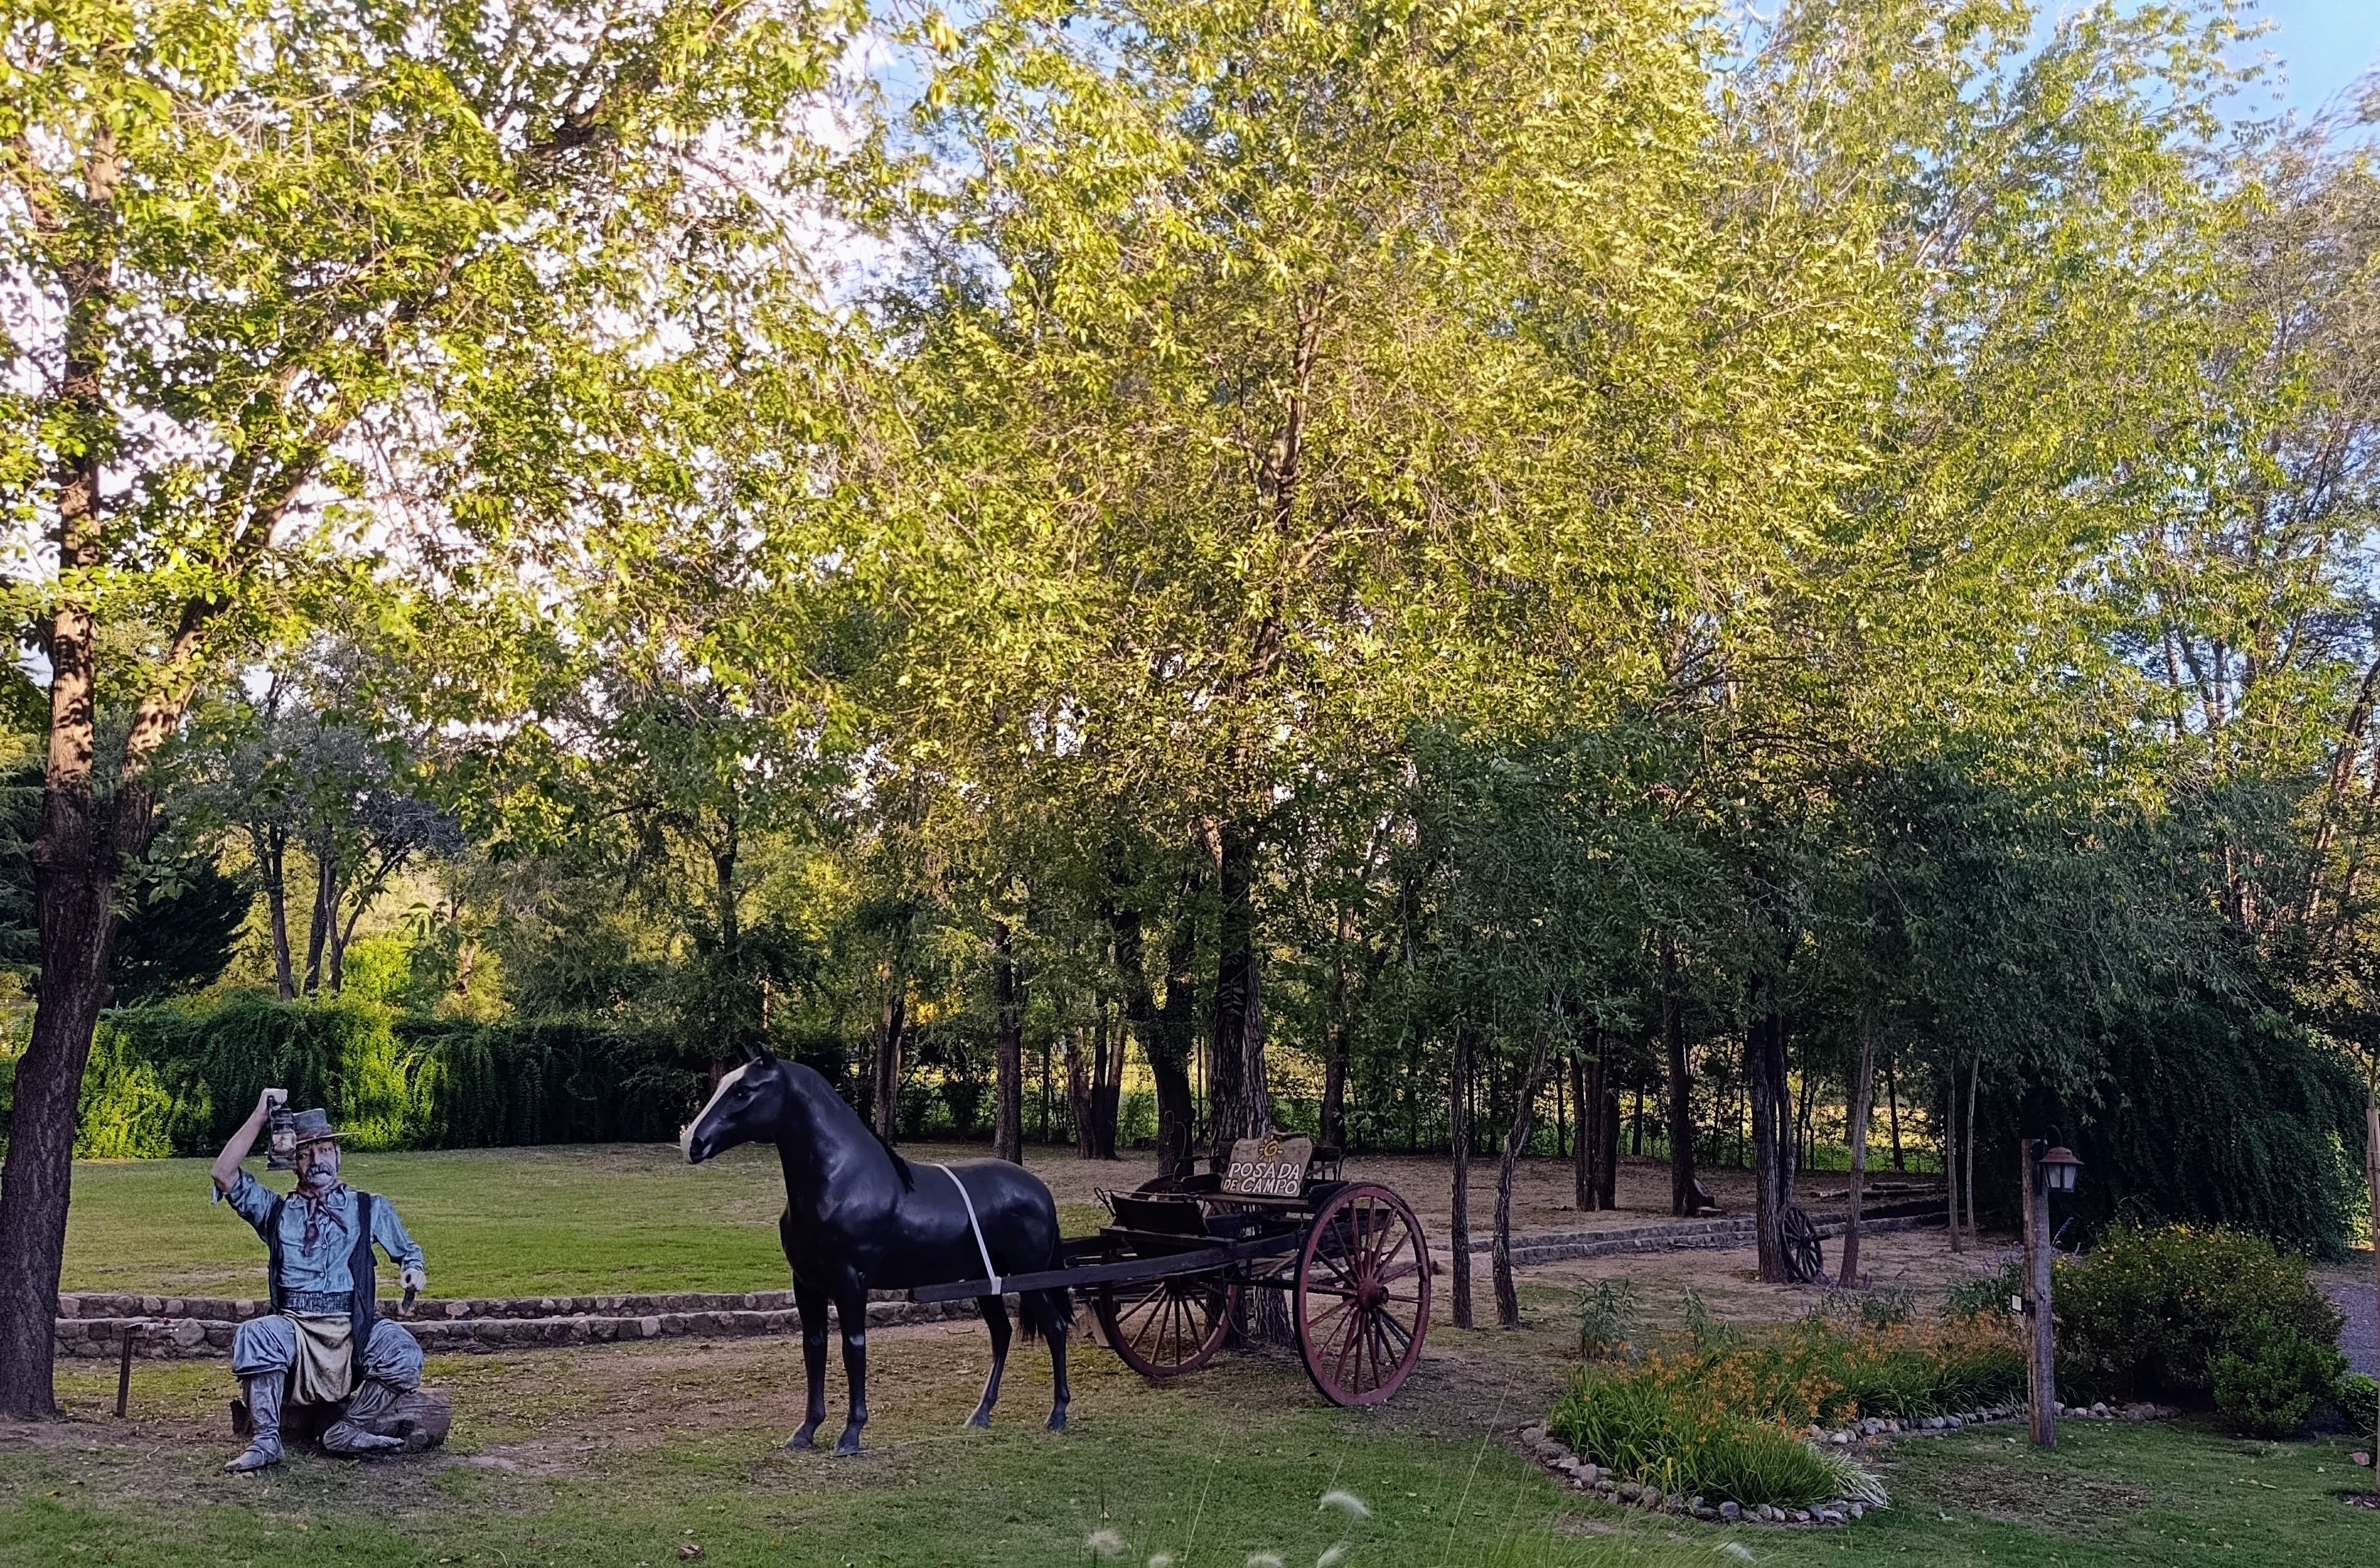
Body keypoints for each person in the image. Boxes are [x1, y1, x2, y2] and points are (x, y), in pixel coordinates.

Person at [210, 1088, 430, 1473]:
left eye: (325, 1150)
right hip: (295, 1326)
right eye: (305, 1153)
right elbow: (224, 1175)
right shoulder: (276, 1212)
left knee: (404, 1354)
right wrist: (260, 1115)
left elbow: (408, 1251)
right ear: (293, 1162)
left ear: (338, 1155)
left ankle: (348, 1429)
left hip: (354, 1327)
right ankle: (266, 1442)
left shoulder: (369, 1207)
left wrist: (413, 1271)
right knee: (254, 1335)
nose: (317, 1160)